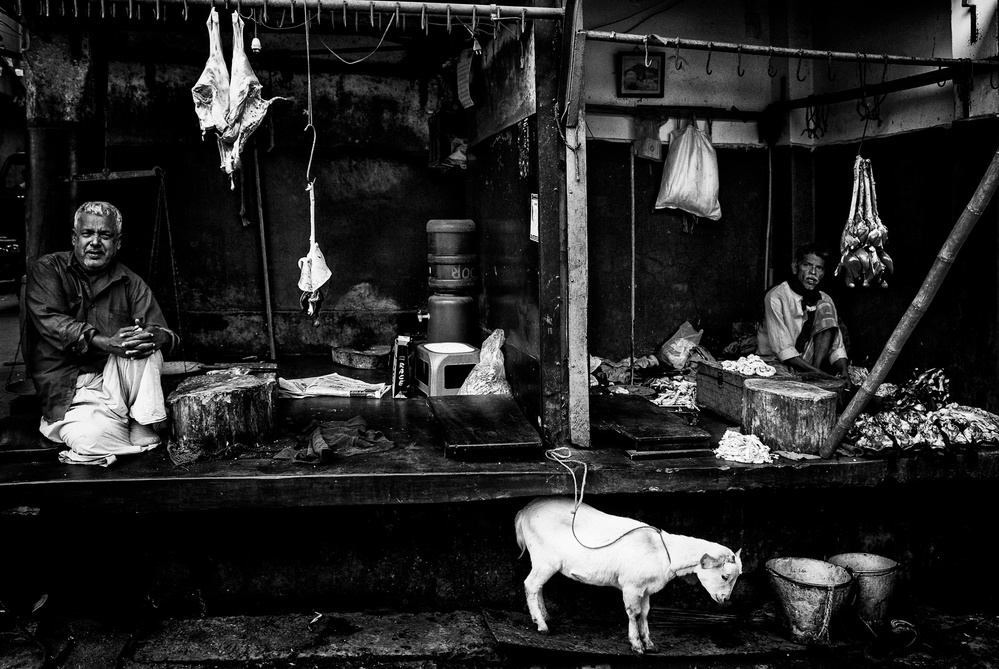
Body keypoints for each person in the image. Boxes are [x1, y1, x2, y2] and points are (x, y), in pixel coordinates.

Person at [25, 201, 178, 466]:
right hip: (72, 393)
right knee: (90, 439)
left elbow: (162, 331)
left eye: (105, 235)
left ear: (117, 242)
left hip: (116, 386)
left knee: (142, 340)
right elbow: (54, 323)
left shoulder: (131, 282)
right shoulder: (48, 268)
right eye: (87, 234)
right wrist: (108, 343)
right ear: (75, 238)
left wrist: (158, 336)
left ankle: (141, 422)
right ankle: (130, 427)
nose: (95, 242)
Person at [757, 242, 850, 382]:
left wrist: (844, 372)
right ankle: (814, 374)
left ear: (823, 273)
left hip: (808, 364)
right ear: (795, 267)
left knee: (825, 306)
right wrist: (820, 374)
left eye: (819, 268)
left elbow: (837, 346)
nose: (813, 272)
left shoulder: (825, 299)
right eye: (807, 265)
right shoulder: (776, 297)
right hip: (775, 362)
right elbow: (783, 350)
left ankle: (814, 373)